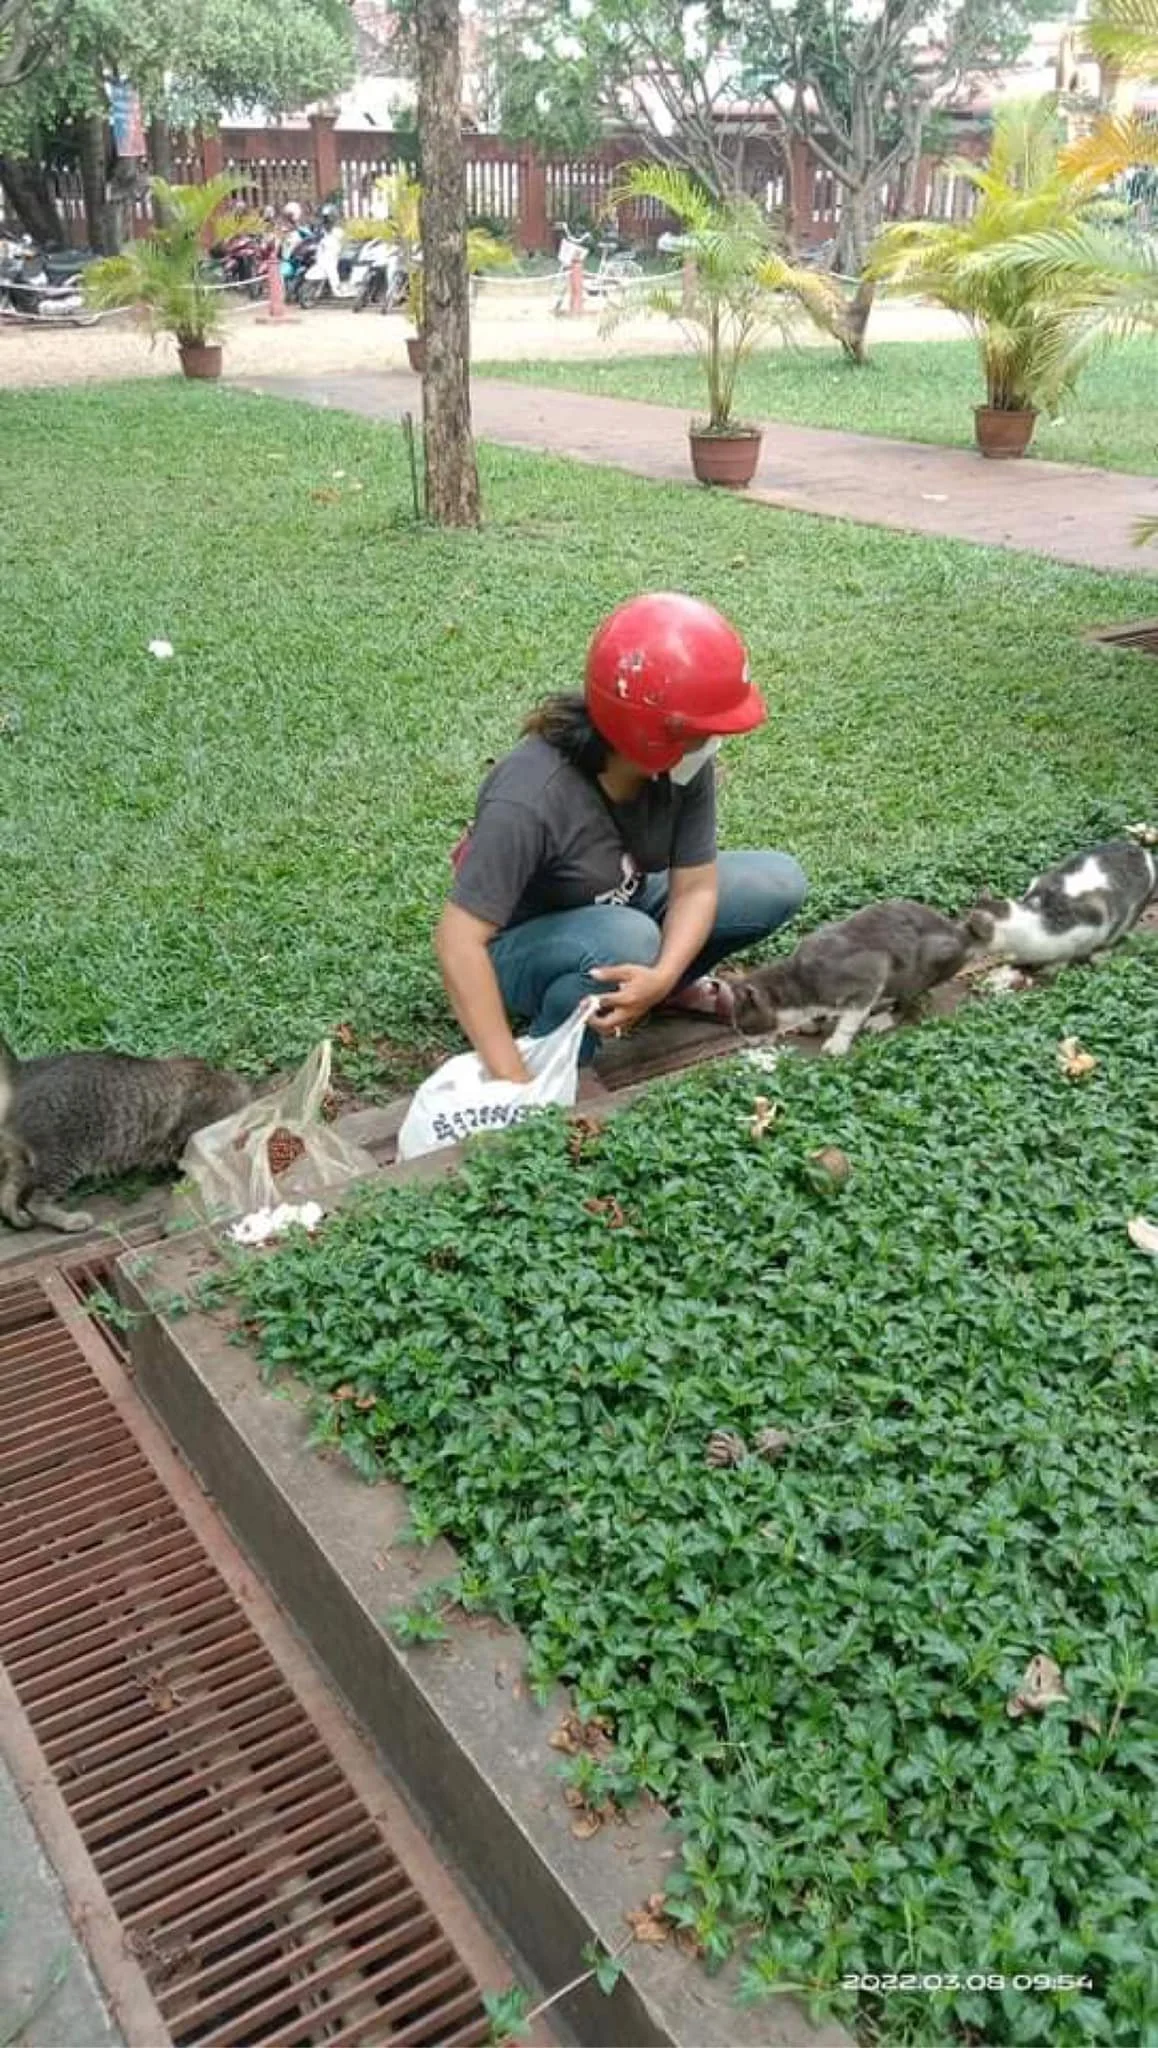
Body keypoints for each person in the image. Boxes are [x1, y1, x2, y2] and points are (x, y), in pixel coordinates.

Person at [435, 592, 808, 1085]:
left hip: (623, 906)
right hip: (521, 948)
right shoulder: (529, 796)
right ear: (650, 731)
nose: (714, 744)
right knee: (626, 938)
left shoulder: (681, 763)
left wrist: (662, 978)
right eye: (704, 733)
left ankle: (653, 989)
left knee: (777, 882)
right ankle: (554, 1049)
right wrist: (512, 1080)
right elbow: (458, 943)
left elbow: (695, 887)